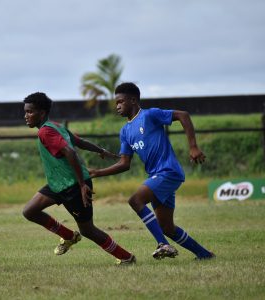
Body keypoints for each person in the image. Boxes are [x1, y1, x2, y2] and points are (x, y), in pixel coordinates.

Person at [89, 82, 214, 260]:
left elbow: (183, 115)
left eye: (120, 101)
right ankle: (204, 255)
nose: (117, 106)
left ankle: (163, 245)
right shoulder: (125, 131)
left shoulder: (150, 115)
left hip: (168, 172)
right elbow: (124, 163)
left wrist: (193, 147)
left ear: (133, 100)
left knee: (135, 200)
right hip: (157, 176)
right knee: (166, 228)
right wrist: (97, 173)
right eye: (116, 102)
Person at [22, 92, 135, 265]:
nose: (26, 116)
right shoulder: (55, 126)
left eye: (30, 112)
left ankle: (126, 257)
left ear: (42, 113)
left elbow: (71, 151)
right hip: (57, 184)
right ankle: (68, 236)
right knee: (30, 211)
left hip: (74, 186)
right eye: (25, 112)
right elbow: (78, 141)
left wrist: (82, 185)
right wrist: (100, 150)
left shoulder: (46, 131)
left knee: (88, 230)